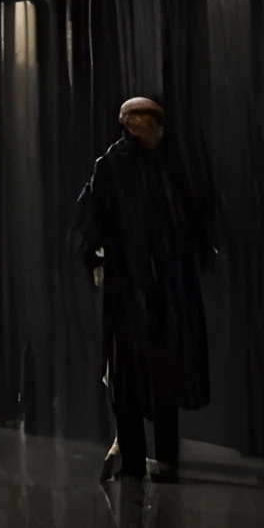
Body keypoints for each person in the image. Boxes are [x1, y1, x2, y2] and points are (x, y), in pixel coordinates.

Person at [71, 96, 221, 481]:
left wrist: (95, 255)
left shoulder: (142, 166)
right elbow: (95, 216)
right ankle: (145, 457)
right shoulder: (125, 167)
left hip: (152, 286)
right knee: (142, 374)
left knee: (144, 373)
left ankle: (147, 458)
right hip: (144, 287)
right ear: (140, 126)